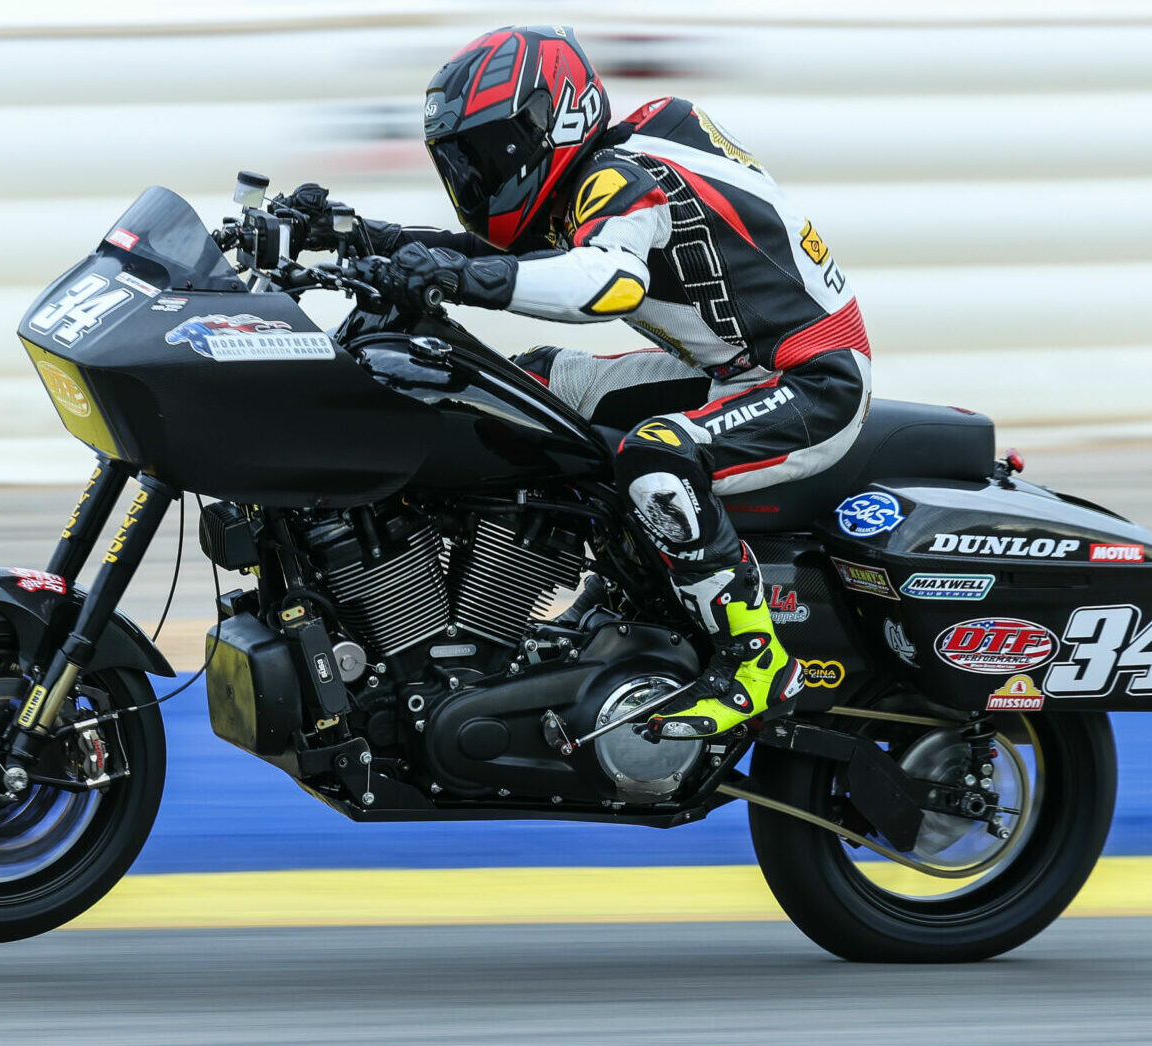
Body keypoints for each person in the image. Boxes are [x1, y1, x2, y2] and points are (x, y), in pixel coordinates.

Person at [296, 26, 871, 739]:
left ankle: (755, 662)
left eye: (494, 152)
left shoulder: (623, 177)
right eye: (466, 164)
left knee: (656, 457)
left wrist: (461, 280)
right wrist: (360, 236)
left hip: (812, 377)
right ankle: (593, 592)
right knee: (535, 387)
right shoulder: (595, 176)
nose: (480, 177)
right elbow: (484, 251)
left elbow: (608, 281)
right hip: (727, 367)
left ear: (552, 118)